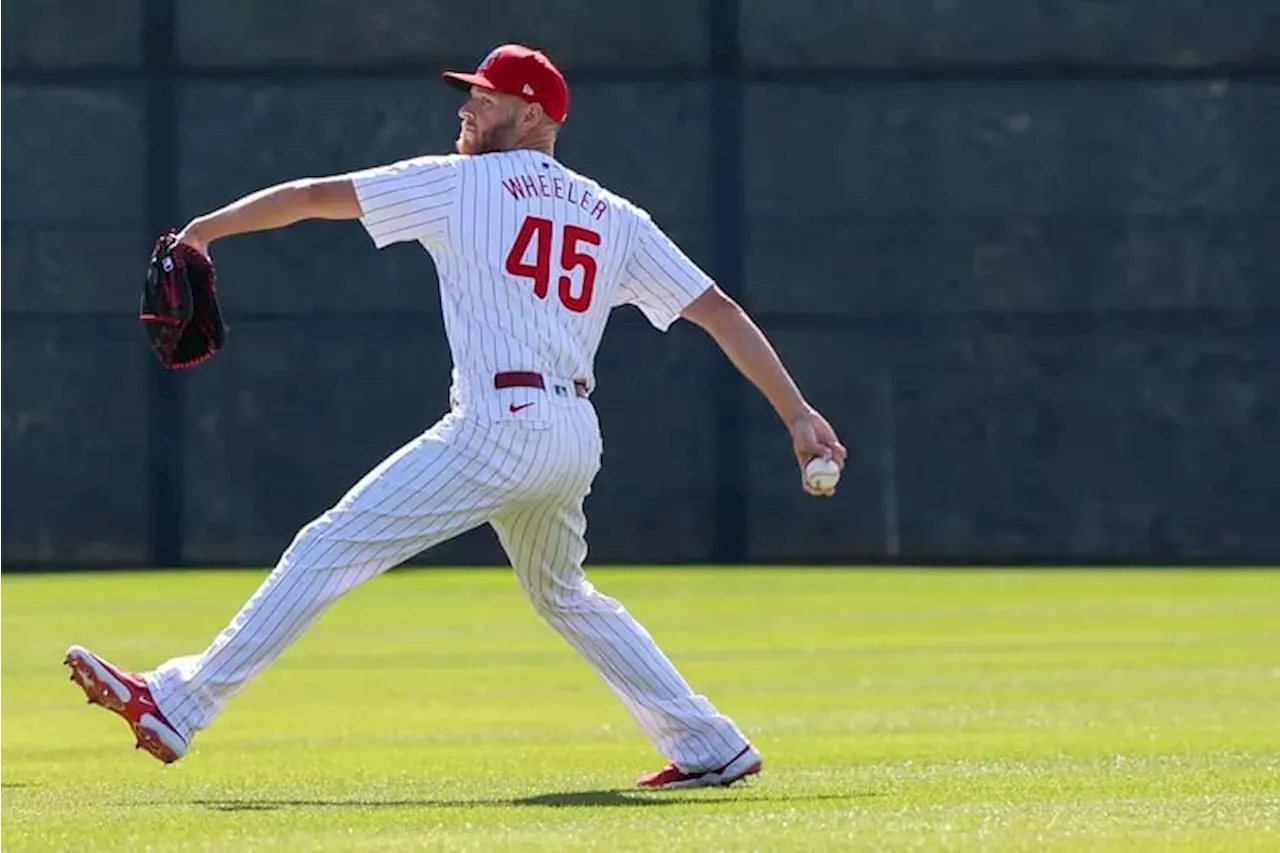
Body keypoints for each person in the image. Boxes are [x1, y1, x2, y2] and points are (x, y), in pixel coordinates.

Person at [64, 43, 846, 790]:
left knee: (331, 545)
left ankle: (178, 703)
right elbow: (717, 308)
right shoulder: (615, 215)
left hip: (500, 425)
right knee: (563, 593)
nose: (468, 107)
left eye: (484, 95)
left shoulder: (459, 185)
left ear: (534, 113)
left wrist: (202, 230)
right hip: (572, 433)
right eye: (468, 94)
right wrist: (799, 413)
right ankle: (710, 742)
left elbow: (311, 197)